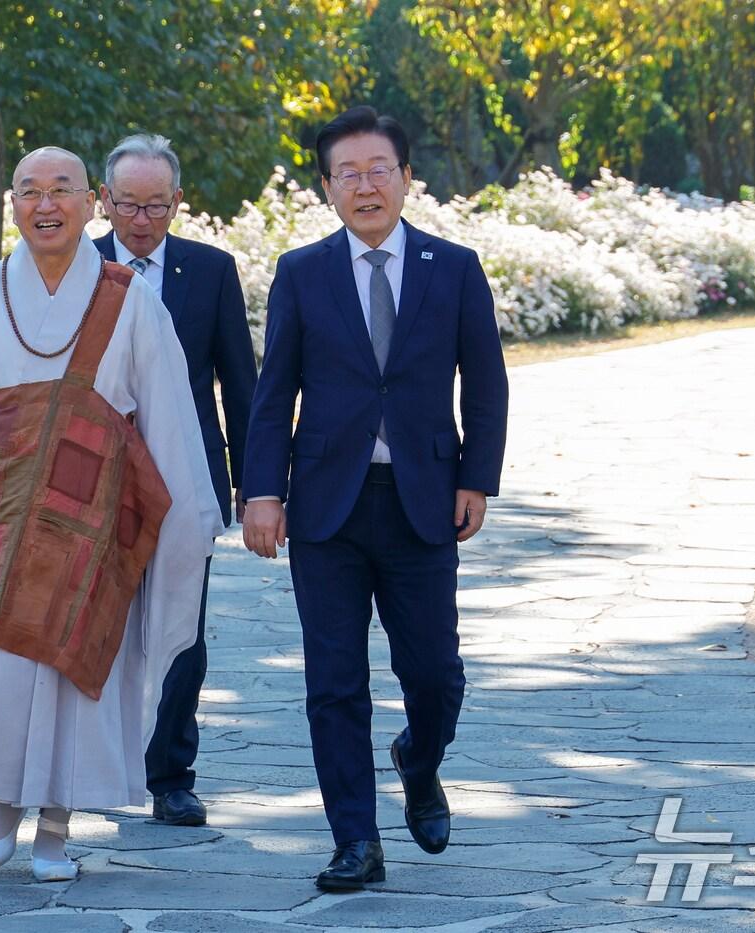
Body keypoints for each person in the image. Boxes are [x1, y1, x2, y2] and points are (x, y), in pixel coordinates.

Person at [0, 146, 222, 882]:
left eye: (62, 189)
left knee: (78, 673)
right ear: (14, 205)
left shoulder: (131, 300)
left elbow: (167, 421)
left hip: (92, 532)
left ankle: (56, 826)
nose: (47, 204)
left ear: (91, 203)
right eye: (31, 191)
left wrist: (180, 519)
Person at [242, 107, 509, 890]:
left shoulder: (453, 267)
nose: (365, 185)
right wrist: (263, 491)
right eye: (347, 173)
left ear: (405, 178)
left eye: (378, 169)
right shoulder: (301, 272)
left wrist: (476, 478)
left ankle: (418, 764)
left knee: (435, 674)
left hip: (423, 499)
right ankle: (355, 839)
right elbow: (272, 392)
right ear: (327, 188)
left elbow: (486, 383)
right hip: (326, 505)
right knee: (333, 681)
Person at [93, 134, 257, 827]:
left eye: (156, 205)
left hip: (187, 479)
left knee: (182, 625)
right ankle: (87, 766)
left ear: (177, 203)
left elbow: (240, 384)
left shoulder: (210, 270)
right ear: (104, 200)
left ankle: (171, 774)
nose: (141, 219)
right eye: (128, 203)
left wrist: (256, 485)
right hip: (92, 479)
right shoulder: (74, 265)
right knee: (87, 624)